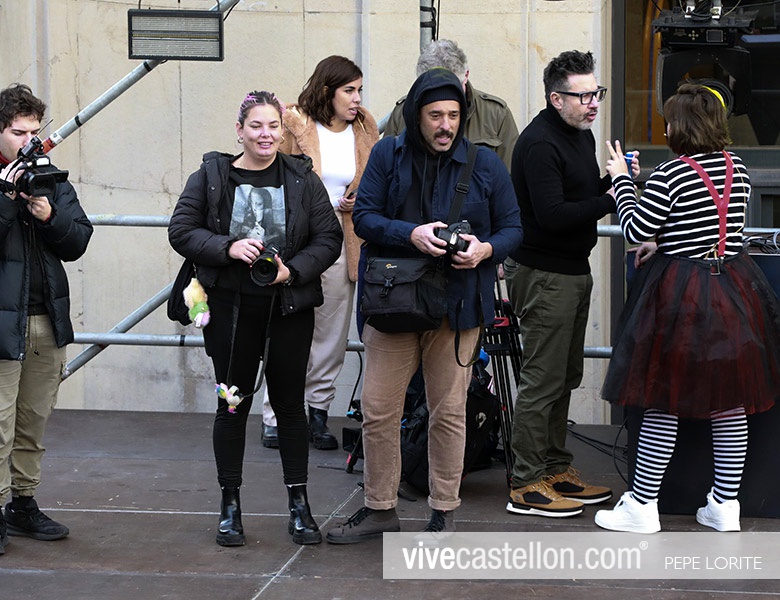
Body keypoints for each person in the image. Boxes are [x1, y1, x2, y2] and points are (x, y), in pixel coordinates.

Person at [326, 68, 522, 543]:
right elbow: (364, 218)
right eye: (435, 115)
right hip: (393, 303)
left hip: (457, 306)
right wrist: (410, 234)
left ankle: (444, 512)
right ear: (417, 116)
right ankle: (380, 508)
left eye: (453, 115)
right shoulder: (388, 154)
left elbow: (514, 228)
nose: (445, 125)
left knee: (448, 412)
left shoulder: (484, 163)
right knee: (379, 410)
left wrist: (485, 250)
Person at [595, 84, 780, 533]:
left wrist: (621, 179)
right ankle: (725, 506)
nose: (666, 128)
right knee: (731, 405)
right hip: (733, 292)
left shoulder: (670, 174)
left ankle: (642, 506)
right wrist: (665, 241)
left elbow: (636, 229)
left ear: (681, 127)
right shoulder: (738, 169)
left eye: (670, 121)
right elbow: (709, 227)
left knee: (663, 401)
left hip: (680, 297)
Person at [168, 91, 342, 547]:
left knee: (290, 407)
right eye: (256, 126)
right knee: (232, 405)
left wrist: (292, 270)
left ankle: (299, 504)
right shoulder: (211, 176)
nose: (266, 135)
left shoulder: (302, 178)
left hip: (288, 308)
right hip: (230, 309)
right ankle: (230, 505)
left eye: (273, 126)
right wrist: (227, 247)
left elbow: (329, 238)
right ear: (240, 130)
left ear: (283, 131)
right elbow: (181, 230)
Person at [0, 84, 93, 556]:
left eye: (34, 132)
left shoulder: (49, 177)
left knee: (32, 422)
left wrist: (49, 215)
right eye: (18, 132)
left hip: (45, 321)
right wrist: (6, 196)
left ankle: (24, 505)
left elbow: (78, 241)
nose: (29, 141)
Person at [504, 50, 628, 518]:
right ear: (556, 99)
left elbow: (580, 196)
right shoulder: (540, 143)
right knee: (542, 380)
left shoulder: (579, 134)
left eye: (597, 93)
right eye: (583, 96)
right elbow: (554, 215)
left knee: (565, 377)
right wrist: (612, 196)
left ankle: (554, 468)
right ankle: (526, 483)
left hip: (572, 270)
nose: (593, 103)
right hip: (544, 274)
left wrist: (613, 181)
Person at [260, 55, 379, 451]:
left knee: (331, 334)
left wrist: (360, 199)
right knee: (288, 330)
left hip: (344, 240)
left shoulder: (365, 129)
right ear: (328, 91)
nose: (357, 98)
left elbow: (374, 182)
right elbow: (270, 176)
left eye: (360, 90)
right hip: (297, 243)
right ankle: (275, 415)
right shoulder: (294, 124)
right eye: (349, 90)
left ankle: (318, 413)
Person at [384, 39, 519, 170]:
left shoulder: (496, 114)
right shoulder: (401, 113)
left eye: (452, 88)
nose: (443, 98)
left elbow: (509, 174)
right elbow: (386, 169)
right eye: (431, 90)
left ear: (466, 75)